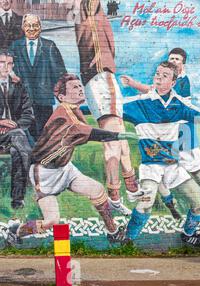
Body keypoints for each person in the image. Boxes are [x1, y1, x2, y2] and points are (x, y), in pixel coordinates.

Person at [5, 73, 139, 247]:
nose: (80, 89)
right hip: (44, 173)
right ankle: (17, 230)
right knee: (51, 221)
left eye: (80, 86)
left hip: (65, 168)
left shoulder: (74, 109)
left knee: (97, 190)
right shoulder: (63, 114)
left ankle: (113, 232)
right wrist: (119, 135)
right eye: (74, 87)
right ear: (61, 97)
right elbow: (89, 132)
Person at [121, 61, 200, 248]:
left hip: (173, 166)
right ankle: (128, 240)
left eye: (164, 75)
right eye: (157, 73)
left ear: (173, 82)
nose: (158, 77)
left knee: (199, 203)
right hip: (151, 167)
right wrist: (76, 108)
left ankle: (188, 234)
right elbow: (108, 108)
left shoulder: (178, 104)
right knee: (144, 205)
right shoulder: (139, 103)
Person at [73, 0, 139, 213]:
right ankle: (115, 195)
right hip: (101, 77)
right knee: (113, 142)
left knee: (120, 138)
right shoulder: (89, 16)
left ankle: (130, 186)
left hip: (100, 77)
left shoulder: (88, 17)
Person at [9, 14, 67, 140]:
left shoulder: (49, 46)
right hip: (22, 102)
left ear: (40, 27)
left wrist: (59, 94)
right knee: (25, 137)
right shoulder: (15, 46)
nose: (31, 28)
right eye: (28, 25)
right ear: (23, 27)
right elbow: (8, 70)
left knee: (44, 135)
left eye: (35, 25)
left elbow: (60, 74)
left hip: (43, 100)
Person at [0, 49, 33, 210]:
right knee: (22, 145)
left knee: (17, 152)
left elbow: (28, 115)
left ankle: (17, 200)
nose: (6, 67)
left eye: (10, 63)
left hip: (13, 135)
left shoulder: (19, 87)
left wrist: (14, 126)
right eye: (2, 63)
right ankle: (33, 182)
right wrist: (2, 122)